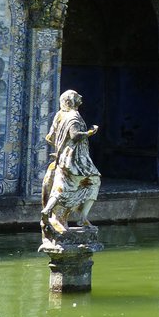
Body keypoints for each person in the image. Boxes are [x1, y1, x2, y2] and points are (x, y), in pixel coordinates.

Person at [40, 90, 101, 240]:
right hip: (75, 159)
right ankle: (83, 217)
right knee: (94, 181)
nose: (80, 97)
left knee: (63, 186)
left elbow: (50, 138)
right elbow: (74, 136)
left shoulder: (59, 115)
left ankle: (48, 210)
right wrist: (90, 133)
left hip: (64, 158)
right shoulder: (73, 116)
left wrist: (61, 149)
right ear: (70, 101)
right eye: (76, 96)